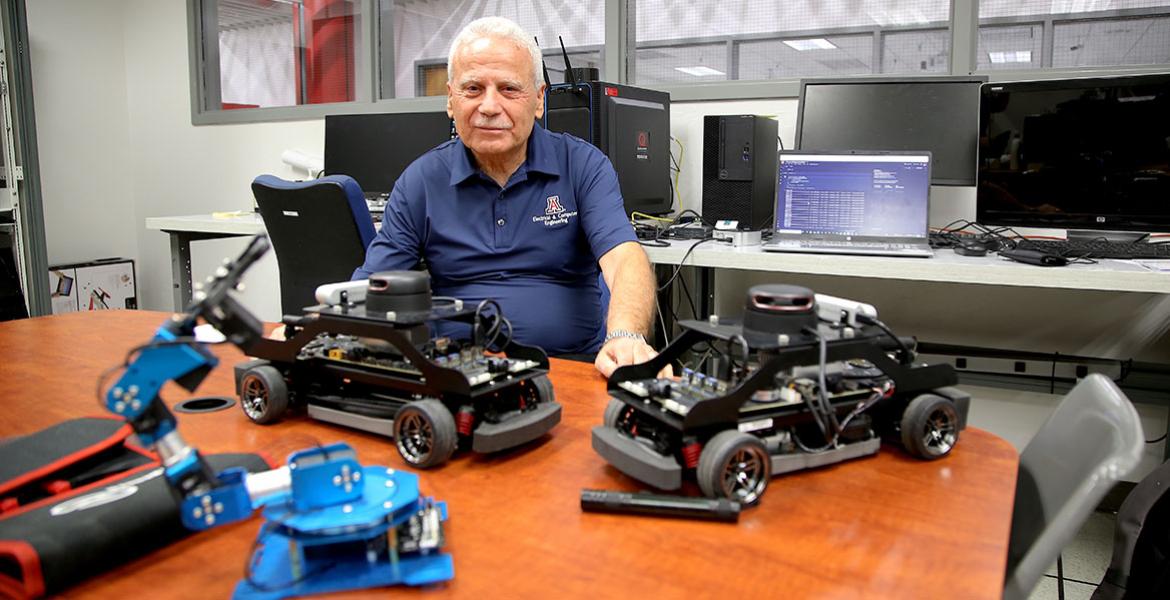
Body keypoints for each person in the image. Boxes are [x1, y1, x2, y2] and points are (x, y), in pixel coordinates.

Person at [353, 16, 658, 378]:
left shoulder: (583, 166)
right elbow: (374, 286)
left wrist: (625, 336)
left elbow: (625, 259)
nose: (489, 106)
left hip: (570, 367)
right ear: (451, 100)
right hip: (457, 372)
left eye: (509, 89)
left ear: (539, 100)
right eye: (472, 89)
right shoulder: (420, 181)